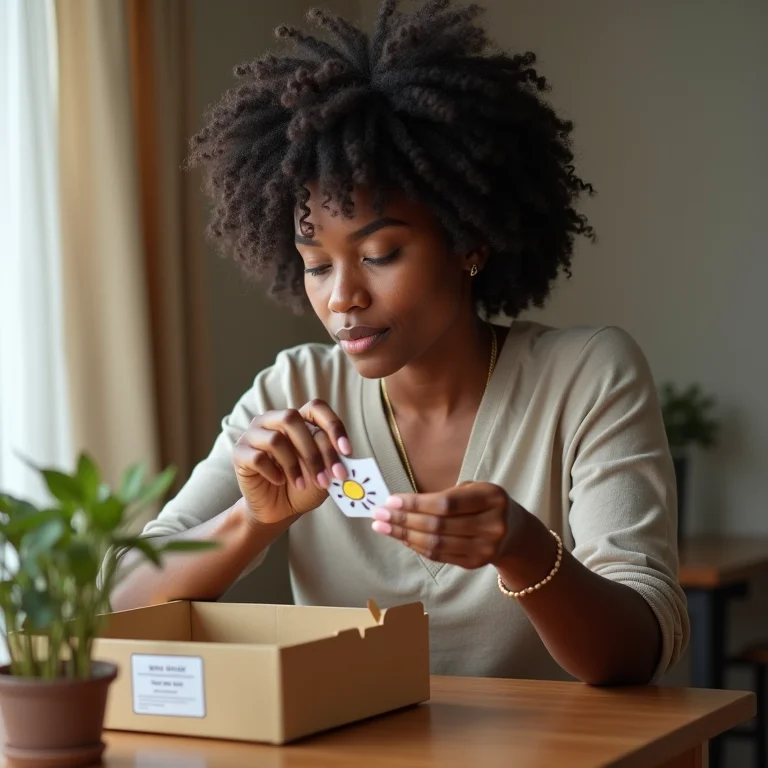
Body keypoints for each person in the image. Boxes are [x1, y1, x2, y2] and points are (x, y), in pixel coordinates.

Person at [111, 0, 689, 686]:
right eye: (317, 264)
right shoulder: (293, 390)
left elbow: (637, 652)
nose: (341, 297)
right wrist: (253, 521)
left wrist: (524, 550)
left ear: (470, 240)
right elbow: (120, 599)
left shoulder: (587, 376)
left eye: (380, 254)